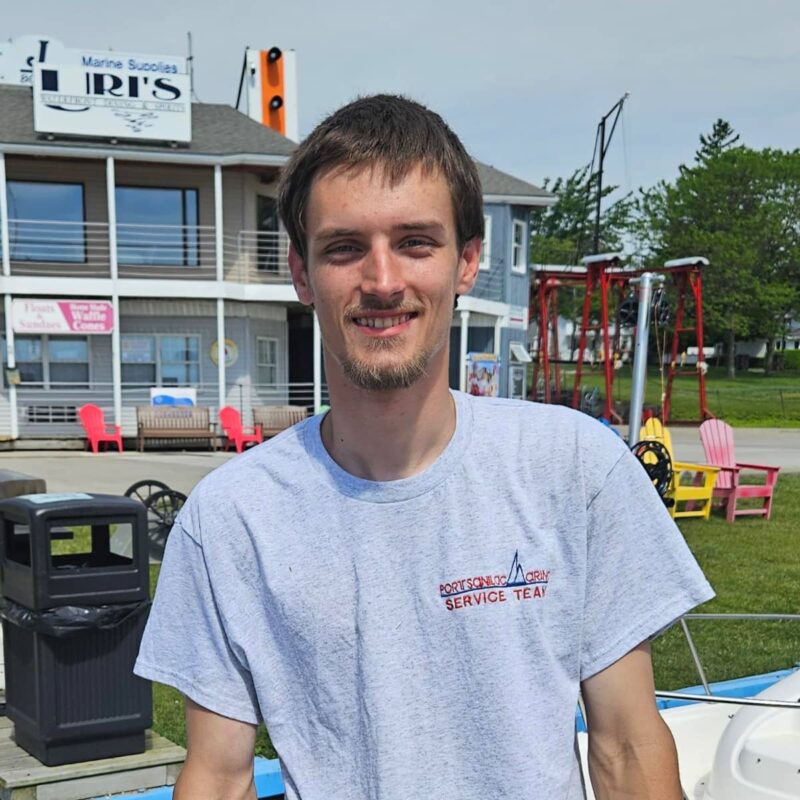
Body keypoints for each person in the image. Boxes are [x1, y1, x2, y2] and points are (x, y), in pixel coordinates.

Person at [135, 94, 714, 800]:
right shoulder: (231, 519)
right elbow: (219, 778)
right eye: (345, 248)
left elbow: (626, 746)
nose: (383, 281)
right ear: (300, 272)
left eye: (415, 242)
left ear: (467, 261)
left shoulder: (575, 470)